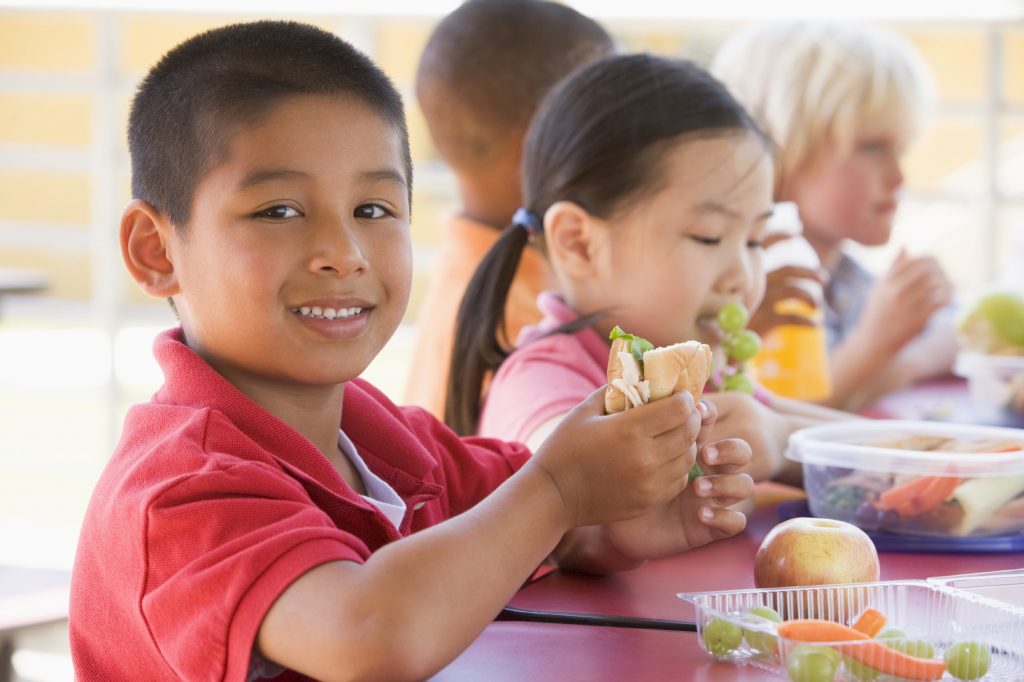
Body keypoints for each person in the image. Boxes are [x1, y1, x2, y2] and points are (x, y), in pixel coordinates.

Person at [68, 21, 755, 681]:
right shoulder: (177, 491)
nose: (343, 253)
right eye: (279, 210)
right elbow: (367, 635)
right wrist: (558, 492)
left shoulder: (382, 440)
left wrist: (617, 520)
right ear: (156, 251)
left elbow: (532, 523)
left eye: (373, 210)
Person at [447, 53, 849, 487]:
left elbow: (862, 443)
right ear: (578, 243)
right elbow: (567, 492)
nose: (743, 276)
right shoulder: (542, 381)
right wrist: (782, 441)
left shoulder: (689, 369)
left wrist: (780, 437)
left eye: (754, 240)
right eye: (709, 237)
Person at [712, 21, 957, 411]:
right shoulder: (753, 287)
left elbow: (954, 334)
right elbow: (767, 425)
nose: (899, 177)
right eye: (872, 148)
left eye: (903, 148)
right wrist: (875, 345)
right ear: (781, 148)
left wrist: (897, 361)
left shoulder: (847, 280)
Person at [404, 0, 615, 419]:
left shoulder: (482, 274)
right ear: (541, 139)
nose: (627, 142)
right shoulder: (521, 321)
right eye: (606, 123)